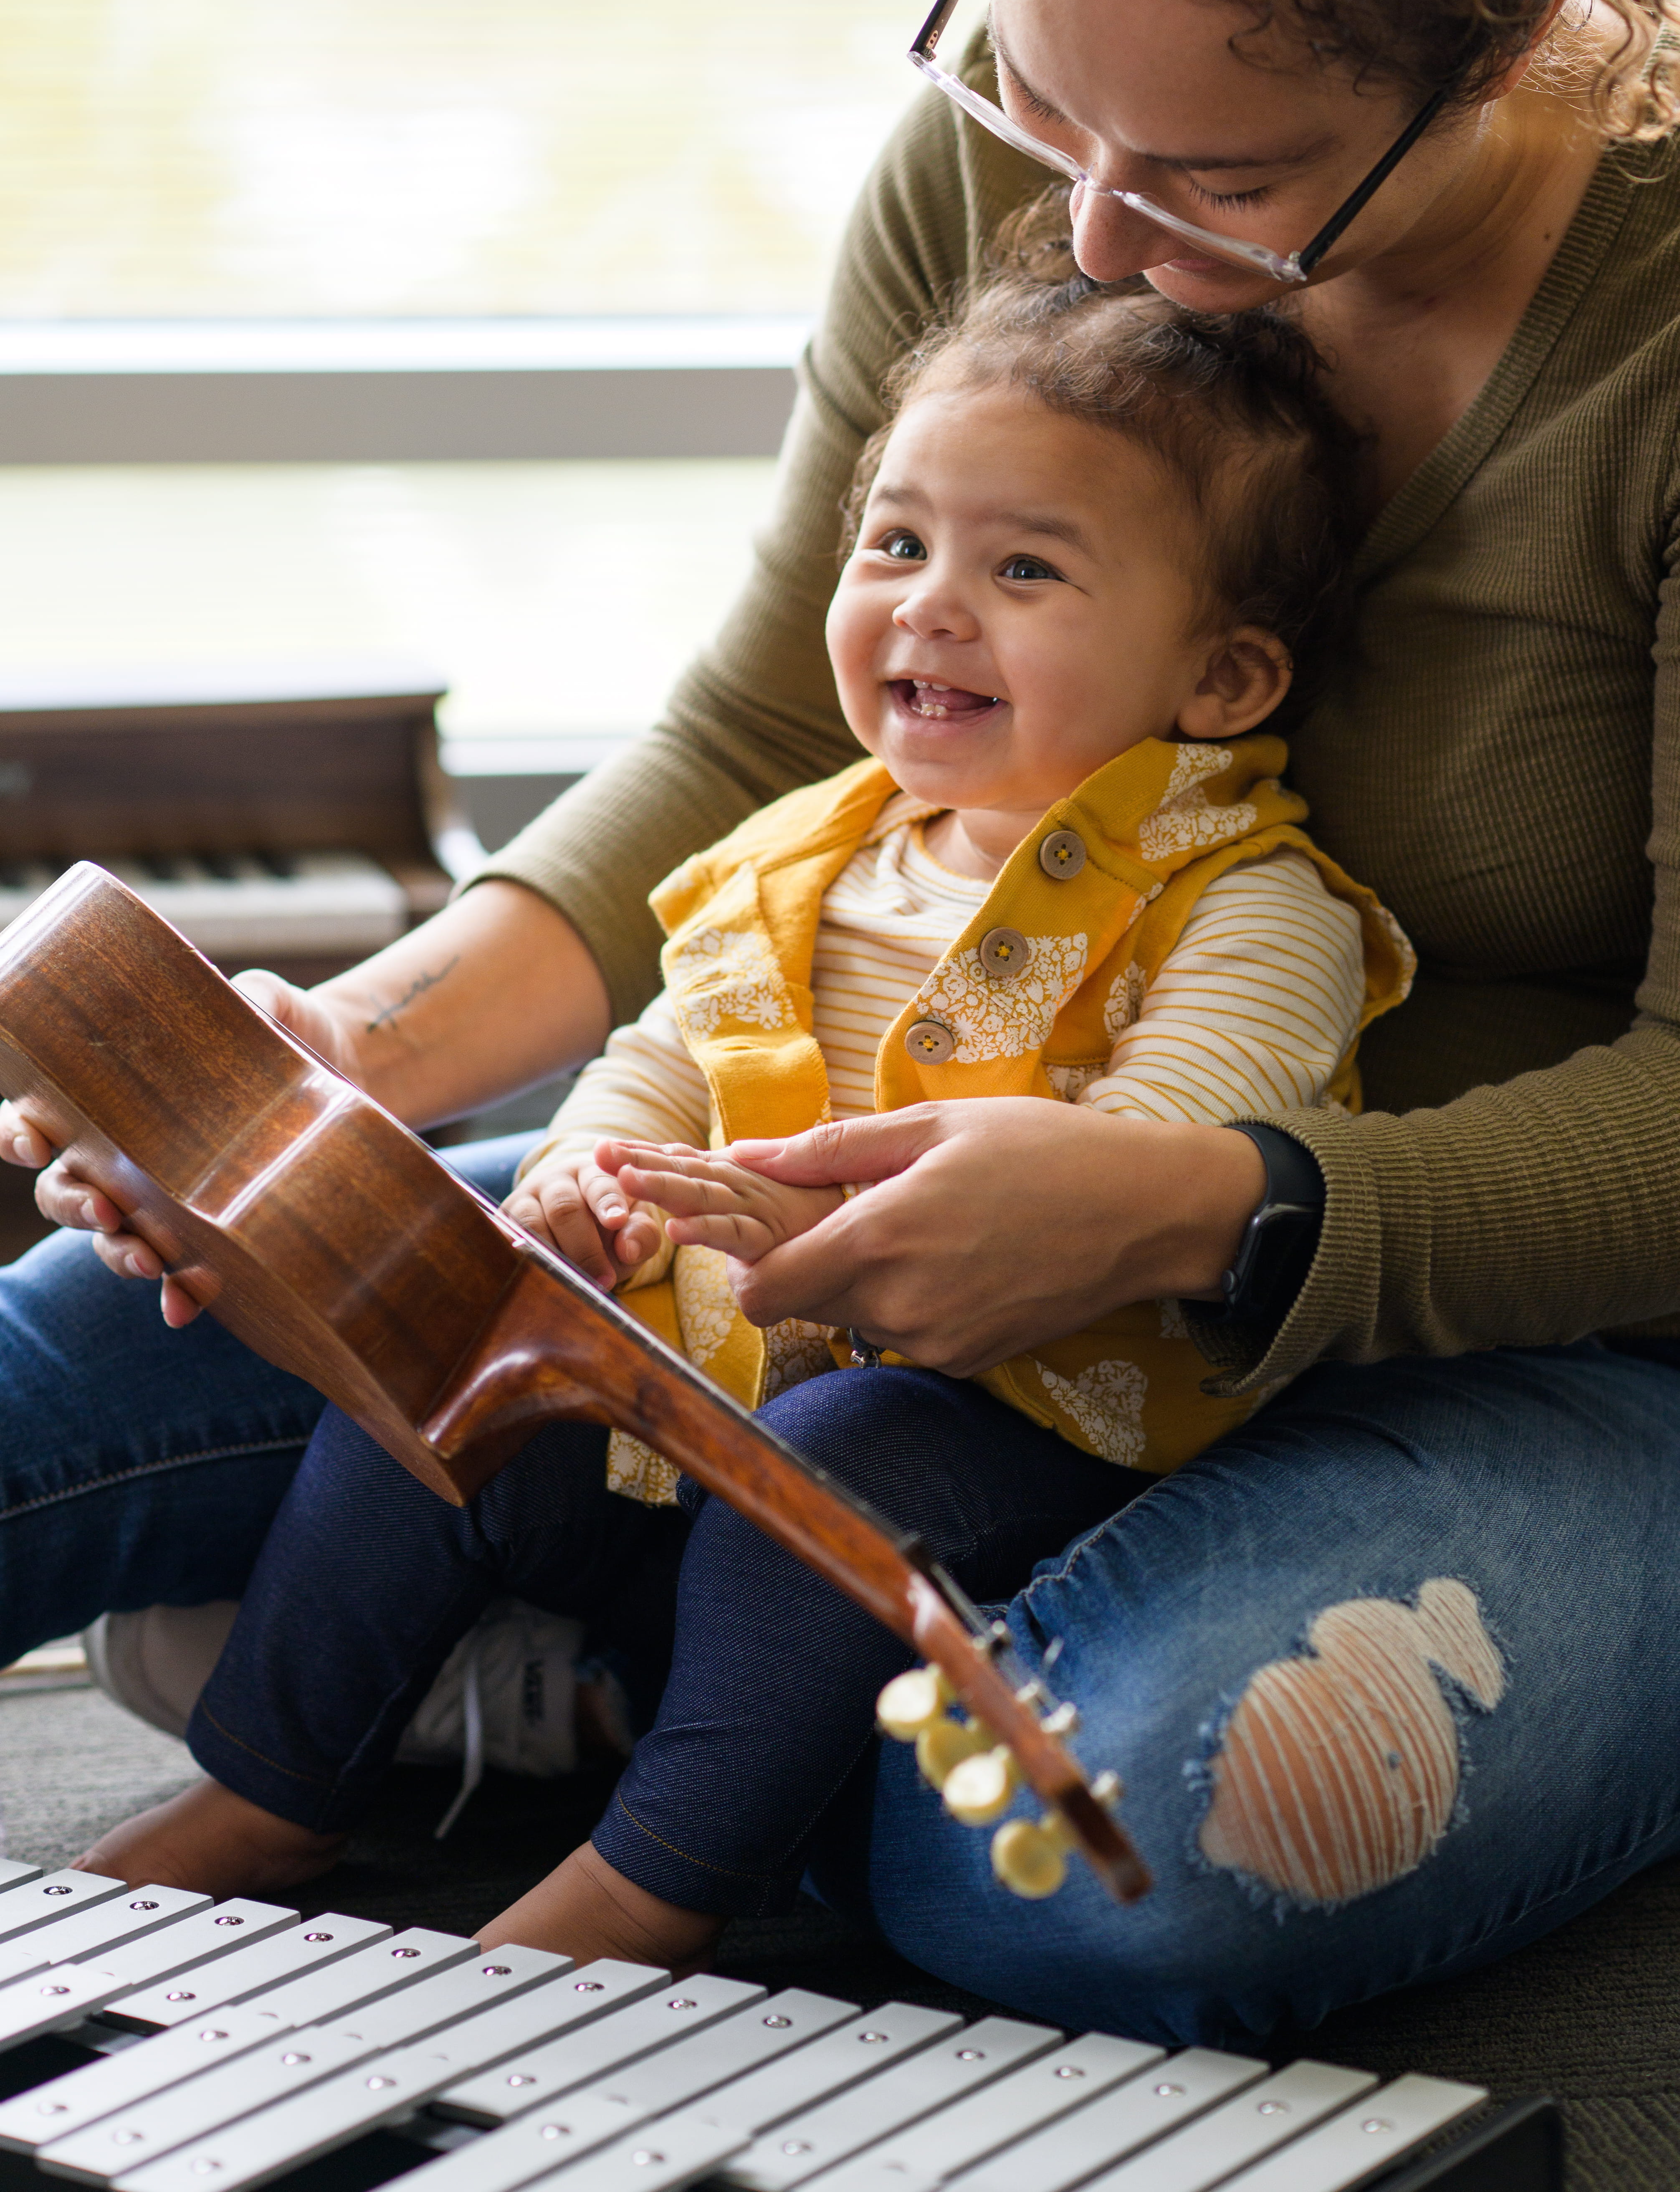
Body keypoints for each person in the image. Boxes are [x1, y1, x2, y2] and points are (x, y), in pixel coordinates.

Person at [5, 0, 1680, 2045]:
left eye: (1216, 181)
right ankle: (596, 1679)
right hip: (811, 1250)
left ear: (1515, 36)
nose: (1083, 223)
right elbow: (766, 736)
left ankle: (601, 1700)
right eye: (1025, 83)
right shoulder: (1016, 175)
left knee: (1105, 1856)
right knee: (107, 1339)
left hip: (1546, 1345)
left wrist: (1188, 1207)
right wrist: (331, 1079)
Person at [65, 258, 1412, 1971]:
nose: (928, 606)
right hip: (706, 1376)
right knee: (453, 1360)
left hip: (1015, 1408)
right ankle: (272, 1778)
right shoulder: (805, 848)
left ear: (1218, 681)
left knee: (835, 1467)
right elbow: (660, 1051)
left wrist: (856, 1240)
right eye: (898, 545)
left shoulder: (1249, 903)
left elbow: (1170, 1155)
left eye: (1025, 569)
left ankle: (658, 1871)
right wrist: (572, 1182)